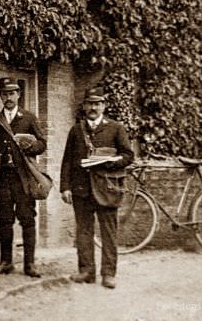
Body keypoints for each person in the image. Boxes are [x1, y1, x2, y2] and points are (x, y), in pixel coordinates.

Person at [60, 86, 133, 289]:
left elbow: (128, 155)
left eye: (97, 103)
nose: (93, 107)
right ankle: (86, 271)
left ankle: (109, 274)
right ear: (84, 106)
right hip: (81, 188)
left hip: (107, 188)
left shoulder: (116, 128)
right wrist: (65, 187)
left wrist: (109, 161)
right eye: (90, 103)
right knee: (83, 231)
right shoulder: (76, 130)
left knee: (109, 232)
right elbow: (67, 160)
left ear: (103, 105)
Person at [0, 77, 47, 278]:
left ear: (18, 95)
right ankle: (6, 262)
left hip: (23, 178)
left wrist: (30, 145)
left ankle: (29, 264)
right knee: (4, 219)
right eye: (5, 94)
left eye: (12, 93)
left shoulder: (29, 118)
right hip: (2, 178)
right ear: (0, 96)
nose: (9, 97)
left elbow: (42, 144)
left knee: (27, 218)